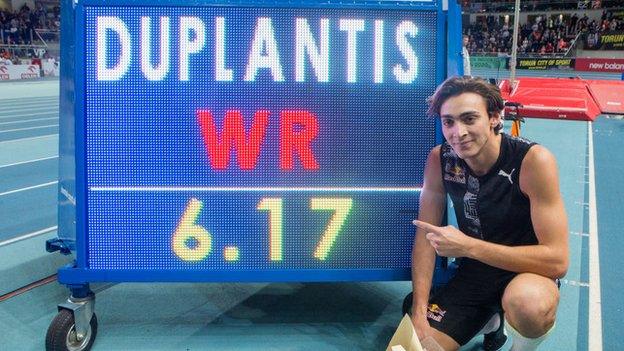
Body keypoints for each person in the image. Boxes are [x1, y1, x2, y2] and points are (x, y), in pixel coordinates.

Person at [410, 76, 569, 351]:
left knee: (527, 305)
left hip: (528, 273)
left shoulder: (533, 161)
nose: (458, 132)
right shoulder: (439, 159)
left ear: (495, 117)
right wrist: (418, 309)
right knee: (416, 347)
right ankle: (490, 322)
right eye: (449, 121)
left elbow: (557, 260)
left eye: (469, 119)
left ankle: (520, 346)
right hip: (475, 273)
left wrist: (468, 246)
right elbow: (425, 237)